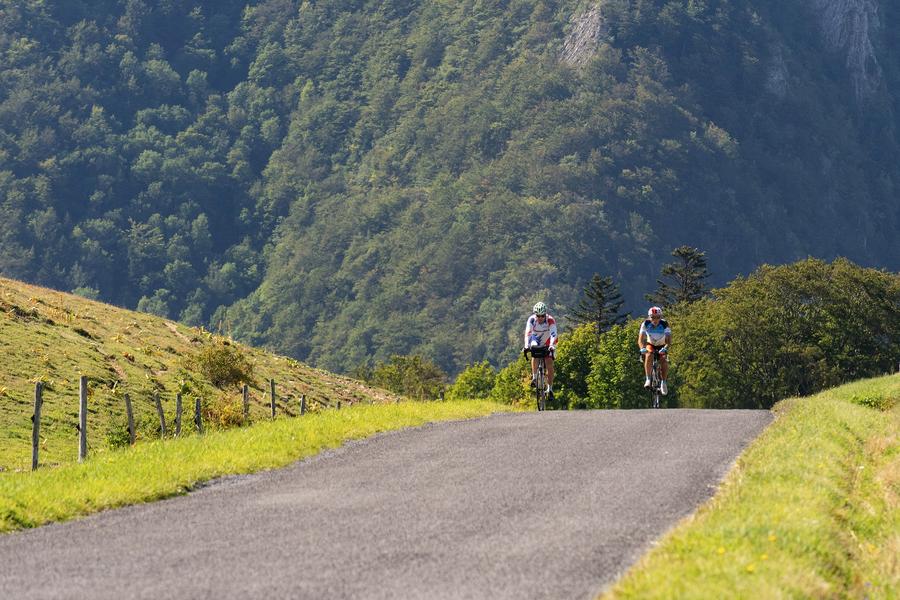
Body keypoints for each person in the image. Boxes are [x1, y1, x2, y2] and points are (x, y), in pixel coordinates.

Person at [523, 301, 558, 400]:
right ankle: (534, 377)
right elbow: (528, 333)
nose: (540, 318)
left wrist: (551, 345)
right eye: (538, 316)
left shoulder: (550, 320)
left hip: (548, 341)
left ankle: (549, 388)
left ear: (545, 314)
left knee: (549, 362)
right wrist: (526, 346)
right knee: (534, 352)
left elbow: (554, 334)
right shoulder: (531, 320)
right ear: (535, 315)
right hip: (536, 339)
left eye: (542, 316)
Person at [638, 306, 671, 394]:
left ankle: (663, 382)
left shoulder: (664, 324)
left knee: (663, 359)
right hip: (651, 344)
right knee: (648, 355)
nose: (655, 319)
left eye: (658, 317)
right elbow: (640, 340)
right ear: (649, 317)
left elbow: (669, 341)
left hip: (662, 345)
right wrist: (642, 349)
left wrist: (665, 348)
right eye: (653, 317)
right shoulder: (645, 324)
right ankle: (648, 379)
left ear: (661, 317)